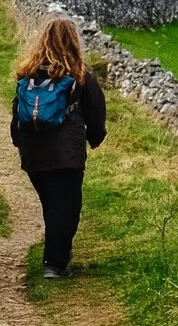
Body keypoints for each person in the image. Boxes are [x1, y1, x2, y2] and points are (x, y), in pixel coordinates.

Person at [8, 16, 108, 279]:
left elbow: (17, 111)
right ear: (74, 42)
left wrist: (20, 142)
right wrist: (96, 138)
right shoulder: (80, 75)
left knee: (52, 203)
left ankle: (54, 257)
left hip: (33, 154)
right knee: (66, 208)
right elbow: (96, 113)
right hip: (66, 156)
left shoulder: (28, 73)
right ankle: (54, 264)